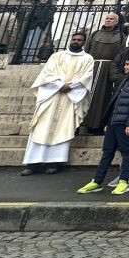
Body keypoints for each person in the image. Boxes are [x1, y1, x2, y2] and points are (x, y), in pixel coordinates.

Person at [20, 30, 95, 175]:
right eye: (74, 39)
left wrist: (70, 86)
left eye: (79, 40)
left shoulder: (88, 59)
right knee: (42, 126)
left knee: (63, 128)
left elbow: (86, 77)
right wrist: (60, 85)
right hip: (52, 95)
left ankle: (54, 161)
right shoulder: (57, 56)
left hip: (70, 97)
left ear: (84, 42)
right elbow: (47, 73)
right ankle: (32, 163)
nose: (76, 42)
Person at [77, 51, 129, 196]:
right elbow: (115, 101)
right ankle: (97, 181)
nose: (125, 66)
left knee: (127, 152)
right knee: (107, 152)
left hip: (127, 123)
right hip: (114, 121)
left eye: (128, 64)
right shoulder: (125, 79)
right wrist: (108, 120)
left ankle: (124, 181)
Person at [82, 13, 125, 133]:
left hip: (108, 69)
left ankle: (97, 125)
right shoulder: (95, 34)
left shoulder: (121, 36)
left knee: (104, 97)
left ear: (116, 22)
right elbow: (86, 50)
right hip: (92, 67)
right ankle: (82, 123)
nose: (108, 20)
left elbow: (121, 54)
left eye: (111, 19)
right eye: (107, 18)